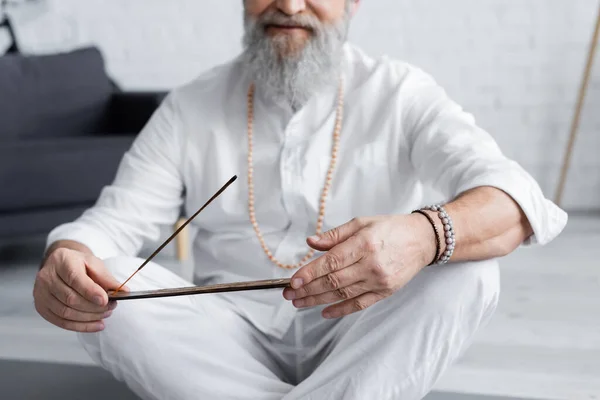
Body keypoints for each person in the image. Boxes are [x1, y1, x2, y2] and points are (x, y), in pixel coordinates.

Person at [33, 0, 567, 399]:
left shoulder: (401, 92)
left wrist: (424, 234)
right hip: (222, 338)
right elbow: (114, 223)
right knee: (113, 288)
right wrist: (67, 259)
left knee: (467, 269)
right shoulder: (190, 105)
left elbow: (515, 202)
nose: (289, 5)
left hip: (362, 335)